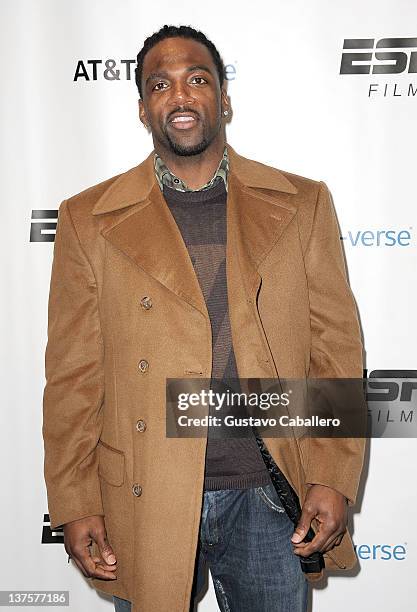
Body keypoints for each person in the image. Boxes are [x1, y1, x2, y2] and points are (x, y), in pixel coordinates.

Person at [42, 24, 365, 612]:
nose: (181, 95)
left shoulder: (301, 203)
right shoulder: (88, 219)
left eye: (198, 79)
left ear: (224, 97)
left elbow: (336, 351)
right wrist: (74, 500)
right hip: (144, 492)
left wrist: (334, 473)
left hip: (269, 492)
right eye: (160, 84)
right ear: (142, 108)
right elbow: (71, 378)